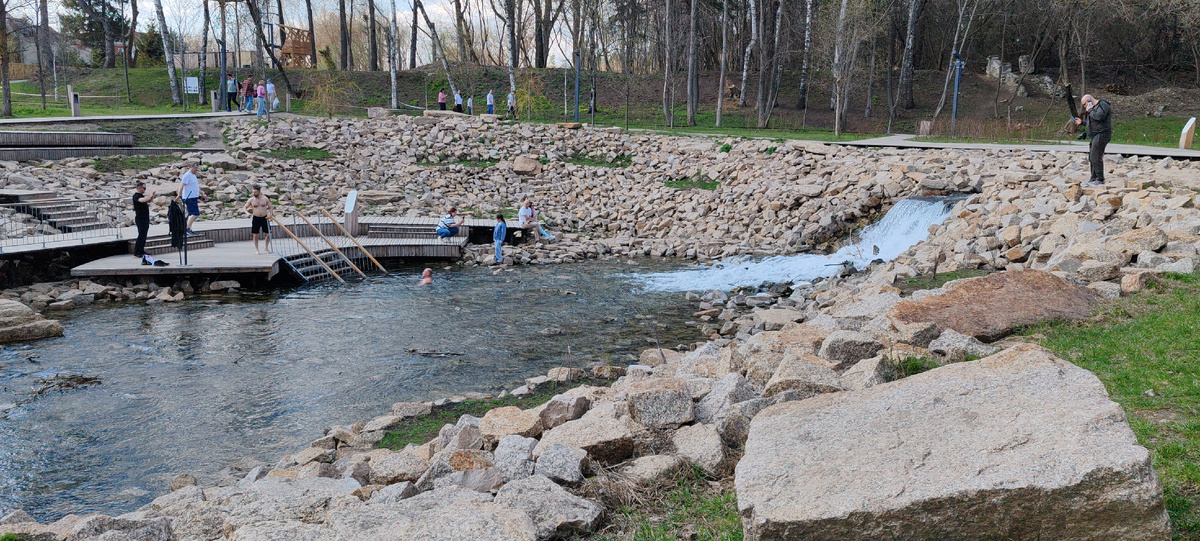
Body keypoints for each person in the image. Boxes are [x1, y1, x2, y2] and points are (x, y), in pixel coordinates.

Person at [1074, 94, 1112, 186]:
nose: (1084, 106)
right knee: (1092, 156)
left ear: (1089, 100)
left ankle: (1100, 179)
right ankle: (1093, 177)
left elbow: (1099, 117)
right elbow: (1092, 122)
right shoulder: (1092, 109)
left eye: (1084, 104)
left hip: (1102, 134)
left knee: (1095, 156)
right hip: (1094, 135)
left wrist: (1090, 110)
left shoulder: (1103, 105)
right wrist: (1081, 122)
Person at [176, 162, 208, 236]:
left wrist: (202, 193)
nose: (196, 169)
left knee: (192, 213)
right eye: (195, 168)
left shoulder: (193, 176)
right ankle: (187, 229)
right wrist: (179, 195)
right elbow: (181, 185)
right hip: (189, 197)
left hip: (194, 197)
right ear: (191, 167)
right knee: (195, 213)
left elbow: (195, 187)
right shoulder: (187, 175)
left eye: (197, 168)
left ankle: (188, 228)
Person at [242, 185, 273, 254]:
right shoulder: (251, 200)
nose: (254, 194)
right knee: (255, 235)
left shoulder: (265, 199)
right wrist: (247, 213)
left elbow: (270, 207)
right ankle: (257, 249)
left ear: (259, 192)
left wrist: (270, 215)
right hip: (256, 218)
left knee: (268, 234)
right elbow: (244, 208)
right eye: (253, 192)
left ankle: (266, 247)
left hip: (264, 217)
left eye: (255, 192)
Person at [132, 181, 155, 258]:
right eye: (144, 188)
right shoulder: (136, 196)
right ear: (139, 188)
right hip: (140, 218)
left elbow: (148, 201)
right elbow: (142, 200)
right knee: (141, 235)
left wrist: (151, 196)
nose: (145, 189)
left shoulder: (141, 196)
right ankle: (137, 251)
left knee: (144, 235)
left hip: (145, 218)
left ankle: (141, 250)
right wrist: (149, 196)